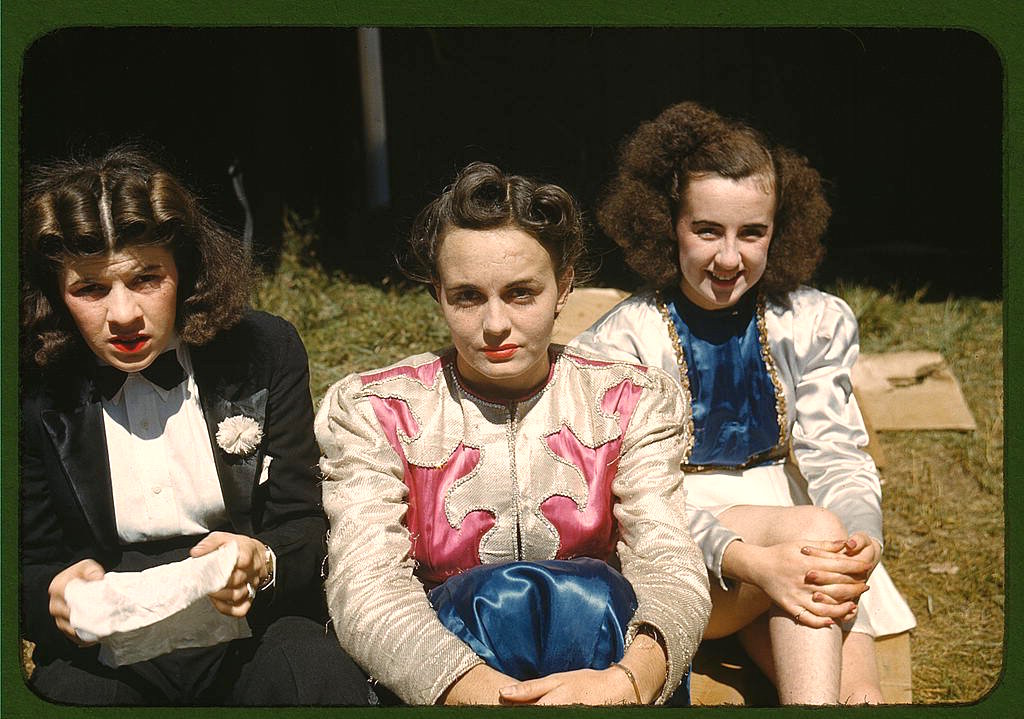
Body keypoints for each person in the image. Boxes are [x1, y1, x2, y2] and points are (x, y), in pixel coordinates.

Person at [315, 162, 711, 706]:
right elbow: (365, 587)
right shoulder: (377, 410)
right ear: (437, 293)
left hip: (603, 671)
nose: (495, 324)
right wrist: (480, 693)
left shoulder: (629, 400)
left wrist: (628, 683)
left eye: (521, 293)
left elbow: (669, 563)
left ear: (563, 286)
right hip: (442, 683)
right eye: (468, 296)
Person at [572, 101, 916, 705]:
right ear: (665, 225)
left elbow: (837, 454)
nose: (729, 258)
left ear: (778, 232)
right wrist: (757, 564)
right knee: (813, 533)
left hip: (807, 546)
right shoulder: (623, 341)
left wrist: (865, 537)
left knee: (861, 695)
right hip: (684, 544)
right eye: (706, 230)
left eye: (751, 233)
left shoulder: (810, 321)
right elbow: (634, 500)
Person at [19, 146, 369, 706]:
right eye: (90, 289)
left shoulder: (264, 350)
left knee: (316, 679)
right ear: (55, 295)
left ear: (184, 268)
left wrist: (265, 562)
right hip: (107, 642)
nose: (124, 314)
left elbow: (302, 521)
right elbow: (28, 562)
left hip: (251, 624)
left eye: (146, 278)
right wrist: (50, 592)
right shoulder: (32, 385)